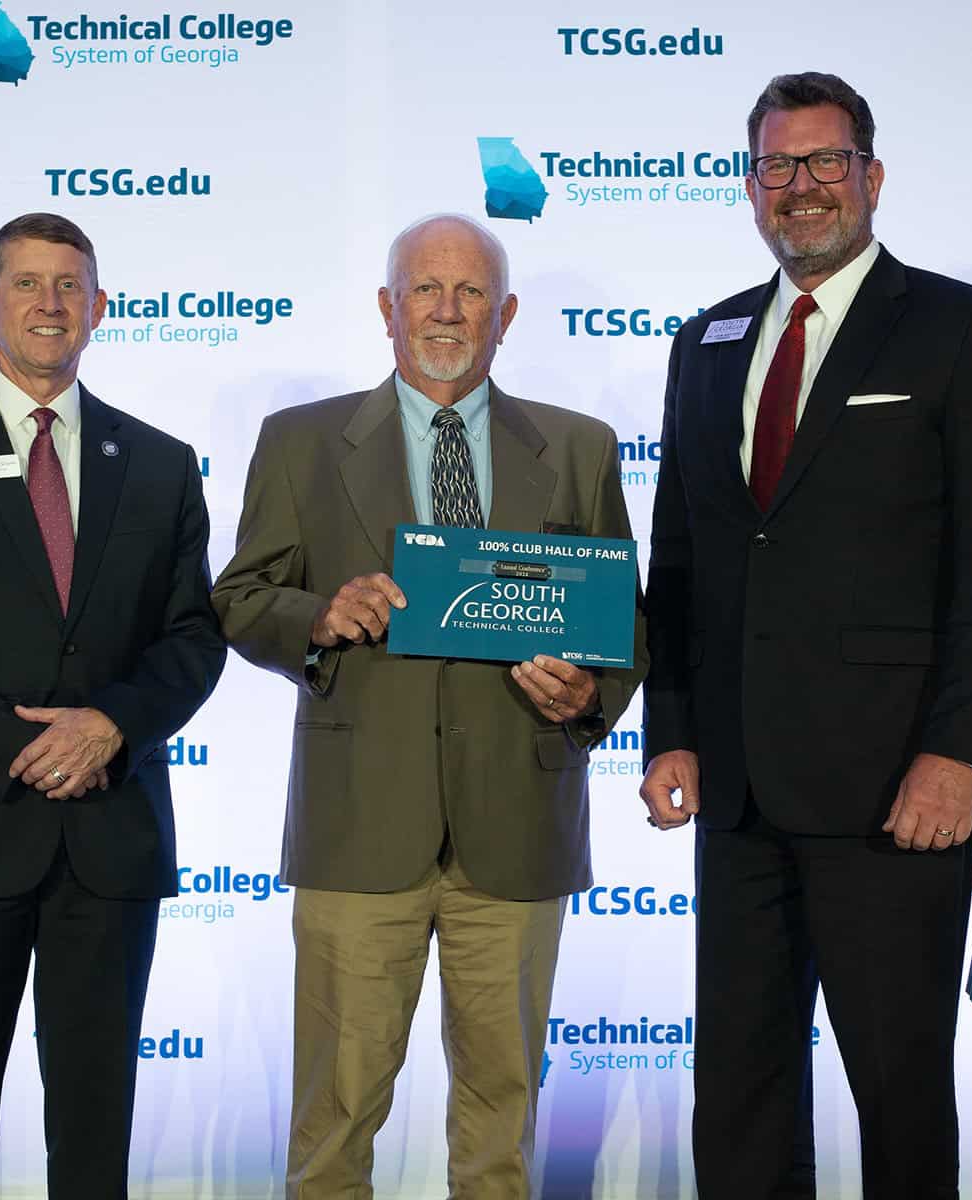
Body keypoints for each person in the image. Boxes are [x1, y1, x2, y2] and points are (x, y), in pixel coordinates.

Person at [638, 72, 972, 1199]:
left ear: (871, 175)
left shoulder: (962, 326)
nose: (801, 188)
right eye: (778, 166)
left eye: (824, 163)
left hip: (894, 792)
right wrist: (669, 728)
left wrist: (963, 757)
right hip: (738, 790)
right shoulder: (705, 341)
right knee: (742, 1096)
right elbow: (676, 558)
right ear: (749, 185)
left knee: (901, 1094)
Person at [211, 213, 646, 1199]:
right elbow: (240, 599)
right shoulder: (300, 442)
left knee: (502, 1126)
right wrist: (319, 615)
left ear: (507, 315)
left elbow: (622, 625)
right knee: (335, 1123)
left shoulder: (579, 449)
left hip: (519, 828)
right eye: (425, 290)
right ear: (386, 308)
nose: (447, 313)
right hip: (360, 830)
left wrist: (588, 693)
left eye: (470, 294)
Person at [0, 212, 226, 1200]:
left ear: (99, 309)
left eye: (70, 285)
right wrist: (18, 748)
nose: (50, 304)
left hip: (110, 838)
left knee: (96, 1129)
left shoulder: (158, 461)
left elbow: (192, 638)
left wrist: (109, 727)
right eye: (26, 284)